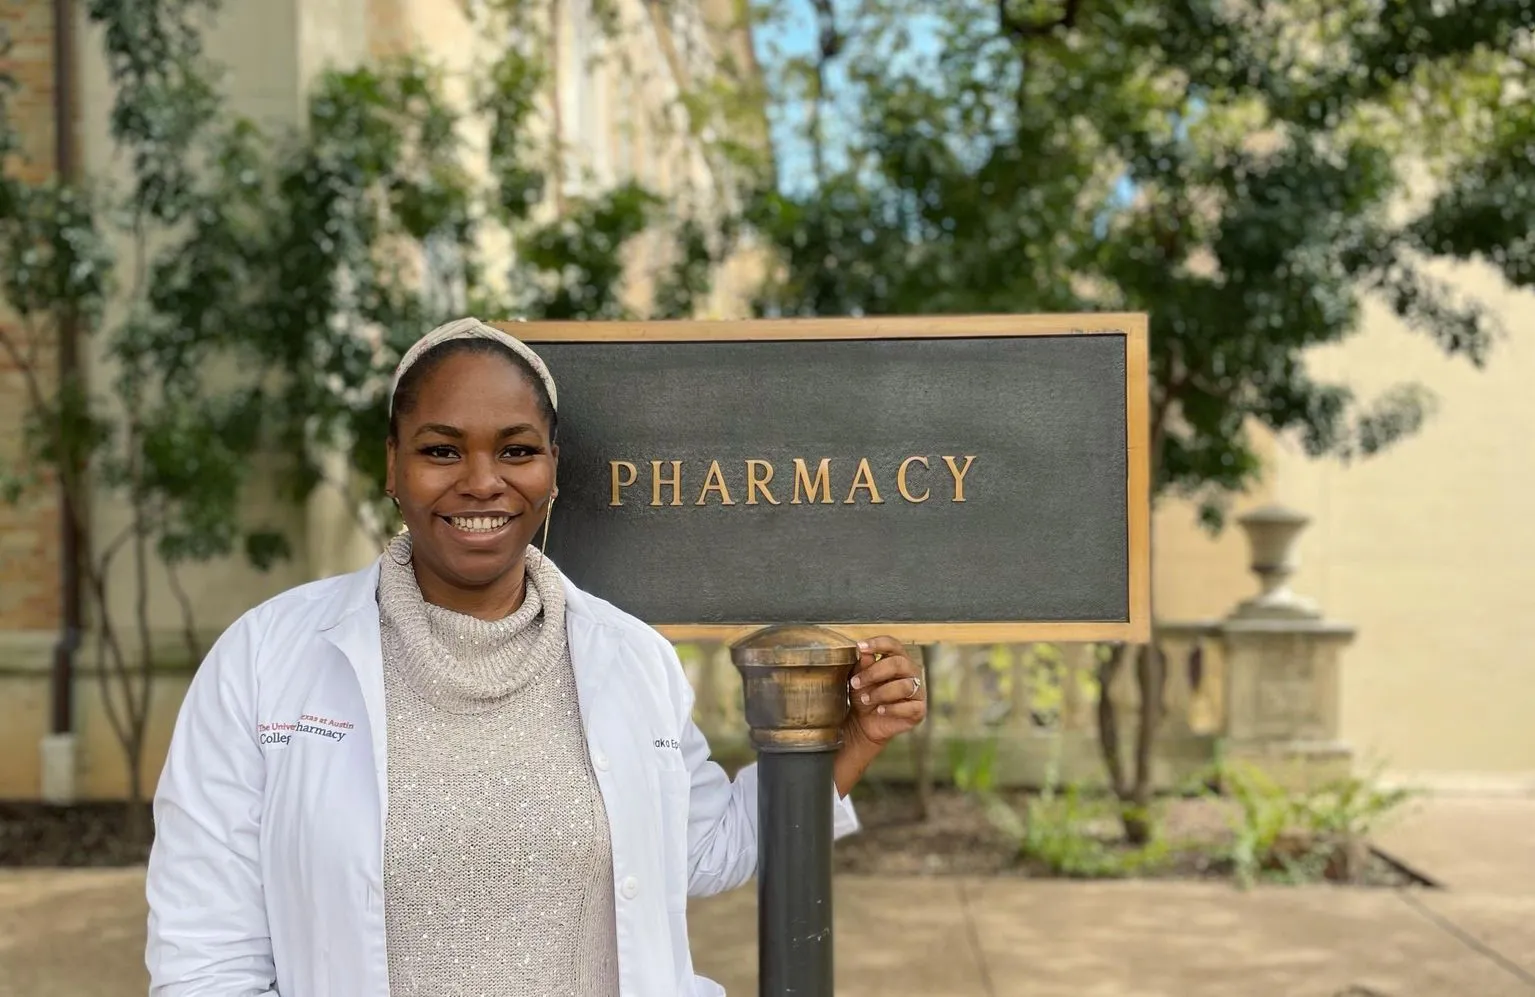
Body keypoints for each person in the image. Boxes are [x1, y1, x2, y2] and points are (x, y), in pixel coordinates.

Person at [144, 317, 927, 997]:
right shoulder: (266, 657)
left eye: (516, 450)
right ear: (392, 465)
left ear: (552, 469)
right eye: (441, 449)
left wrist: (852, 740)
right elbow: (203, 954)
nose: (482, 481)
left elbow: (699, 849)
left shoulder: (630, 658)